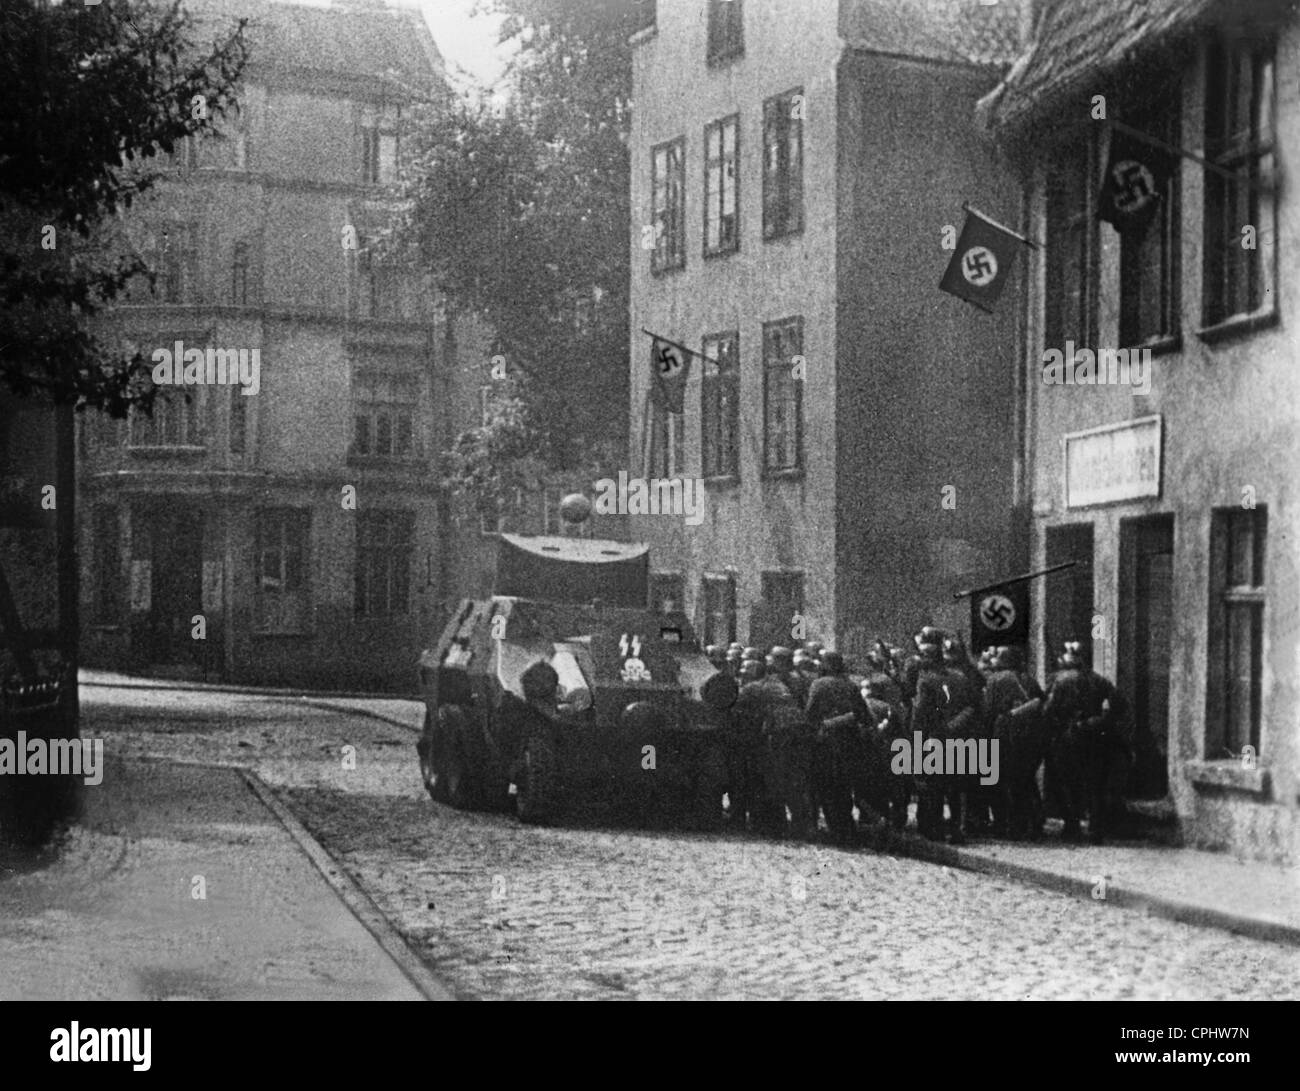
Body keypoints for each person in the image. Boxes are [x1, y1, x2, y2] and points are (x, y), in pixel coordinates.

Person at [1043, 642, 1132, 844]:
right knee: (1095, 784)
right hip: (1095, 737)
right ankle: (1095, 829)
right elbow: (1120, 705)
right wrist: (1101, 720)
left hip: (1068, 737)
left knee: (1068, 782)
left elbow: (1048, 711)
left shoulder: (1058, 681)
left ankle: (1072, 826)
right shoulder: (1099, 680)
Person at [733, 656, 811, 839]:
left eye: (745, 672)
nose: (742, 675)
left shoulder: (753, 687)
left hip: (781, 732)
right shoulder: (774, 683)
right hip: (799, 729)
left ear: (753, 674)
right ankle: (801, 824)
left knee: (776, 777)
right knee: (794, 778)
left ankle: (777, 825)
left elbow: (733, 706)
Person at [804, 650, 868, 844]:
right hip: (849, 743)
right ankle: (845, 827)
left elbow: (810, 713)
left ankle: (833, 829)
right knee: (843, 787)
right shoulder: (851, 686)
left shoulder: (818, 684)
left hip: (826, 743)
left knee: (824, 785)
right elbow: (862, 714)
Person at [983, 645, 1045, 839]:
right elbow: (1041, 704)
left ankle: (1007, 824)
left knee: (999, 782)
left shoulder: (996, 680)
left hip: (1005, 736)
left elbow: (988, 711)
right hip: (1031, 738)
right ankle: (1034, 822)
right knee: (1026, 781)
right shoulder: (1030, 681)